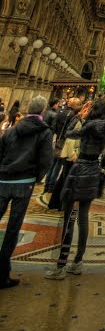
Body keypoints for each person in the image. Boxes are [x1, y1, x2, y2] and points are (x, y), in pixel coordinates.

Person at [45, 100, 105, 279]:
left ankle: (60, 265)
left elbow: (68, 134)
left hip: (80, 168)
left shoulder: (89, 125)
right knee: (83, 218)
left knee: (69, 217)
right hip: (94, 170)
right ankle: (78, 261)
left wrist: (79, 116)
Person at [0, 96, 52, 289]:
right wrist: (36, 178)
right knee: (13, 229)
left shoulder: (12, 130)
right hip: (25, 183)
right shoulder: (44, 132)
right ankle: (2, 274)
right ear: (42, 111)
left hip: (3, 180)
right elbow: (46, 160)